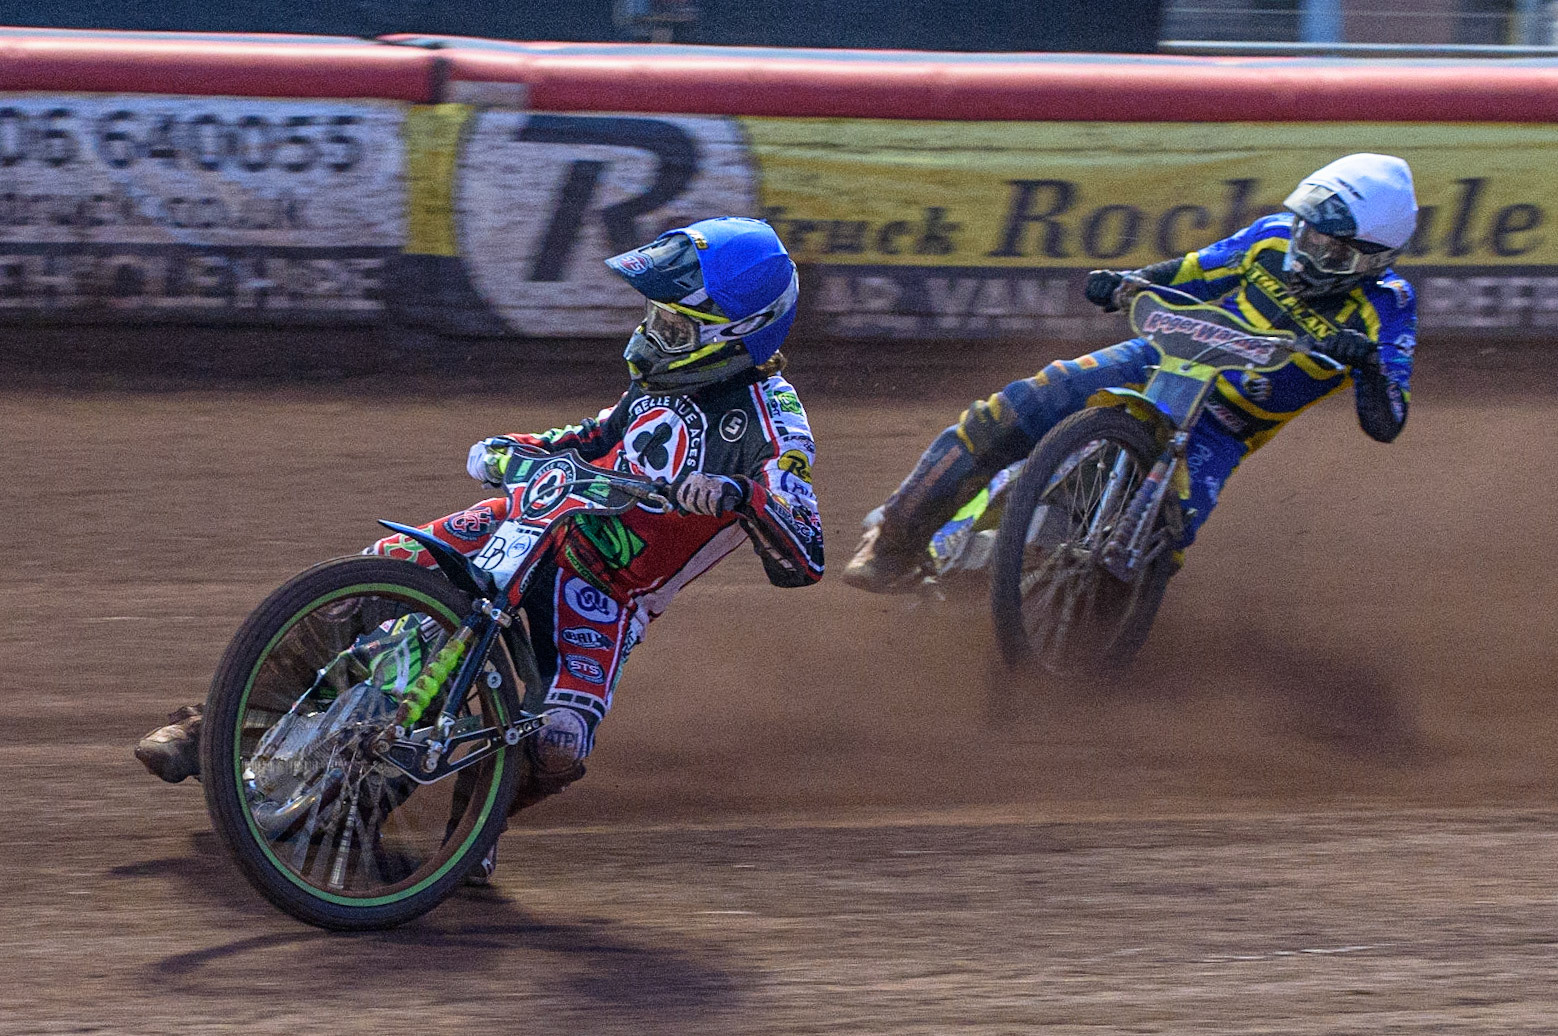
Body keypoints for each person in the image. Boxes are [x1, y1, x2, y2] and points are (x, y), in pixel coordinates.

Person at [136, 216, 825, 875]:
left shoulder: (776, 423)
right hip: (533, 522)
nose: (652, 333)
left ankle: (467, 835)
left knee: (556, 738)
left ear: (740, 334)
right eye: (656, 317)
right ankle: (213, 729)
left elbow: (807, 547)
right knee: (377, 577)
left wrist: (743, 497)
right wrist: (518, 446)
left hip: (606, 591)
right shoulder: (665, 380)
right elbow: (593, 436)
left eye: (674, 325)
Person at [843, 152, 1419, 592]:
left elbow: (1388, 420)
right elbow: (1187, 272)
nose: (1308, 256)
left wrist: (1367, 365)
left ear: (1374, 259)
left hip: (1224, 424)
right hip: (1161, 358)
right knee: (1012, 411)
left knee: (1156, 551)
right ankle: (893, 540)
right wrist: (1125, 281)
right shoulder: (1269, 238)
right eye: (1306, 235)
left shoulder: (1387, 307)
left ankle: (1085, 645)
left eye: (1333, 252)